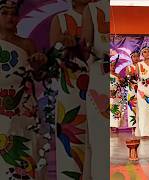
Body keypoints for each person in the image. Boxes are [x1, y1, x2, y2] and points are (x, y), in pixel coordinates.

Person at [0, 0, 47, 179]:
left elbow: (38, 78)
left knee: (26, 150)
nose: (10, 17)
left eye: (13, 13)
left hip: (23, 107)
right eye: (4, 13)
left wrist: (38, 66)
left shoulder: (27, 45)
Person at [49, 0, 91, 179]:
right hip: (70, 86)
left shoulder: (98, 14)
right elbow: (53, 55)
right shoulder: (61, 19)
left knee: (94, 139)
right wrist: (65, 46)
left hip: (95, 84)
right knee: (70, 136)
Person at [81, 0, 108, 178]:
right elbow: (85, 49)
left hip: (128, 75)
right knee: (100, 137)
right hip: (102, 77)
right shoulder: (92, 9)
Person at [126, 49, 140, 134]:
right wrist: (133, 74)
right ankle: (133, 127)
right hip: (132, 90)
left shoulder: (142, 66)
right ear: (131, 58)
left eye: (137, 56)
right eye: (134, 56)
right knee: (132, 108)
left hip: (141, 89)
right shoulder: (129, 67)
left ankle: (140, 126)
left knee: (141, 107)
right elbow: (128, 77)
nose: (136, 58)